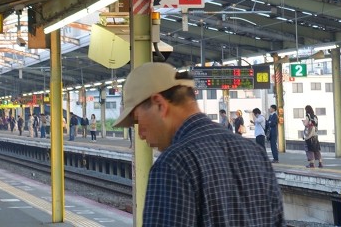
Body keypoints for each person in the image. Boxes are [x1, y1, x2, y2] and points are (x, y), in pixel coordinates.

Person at [114, 62, 284, 227]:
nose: (140, 134)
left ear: (159, 104)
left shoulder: (173, 164)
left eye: (138, 120)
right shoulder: (255, 153)